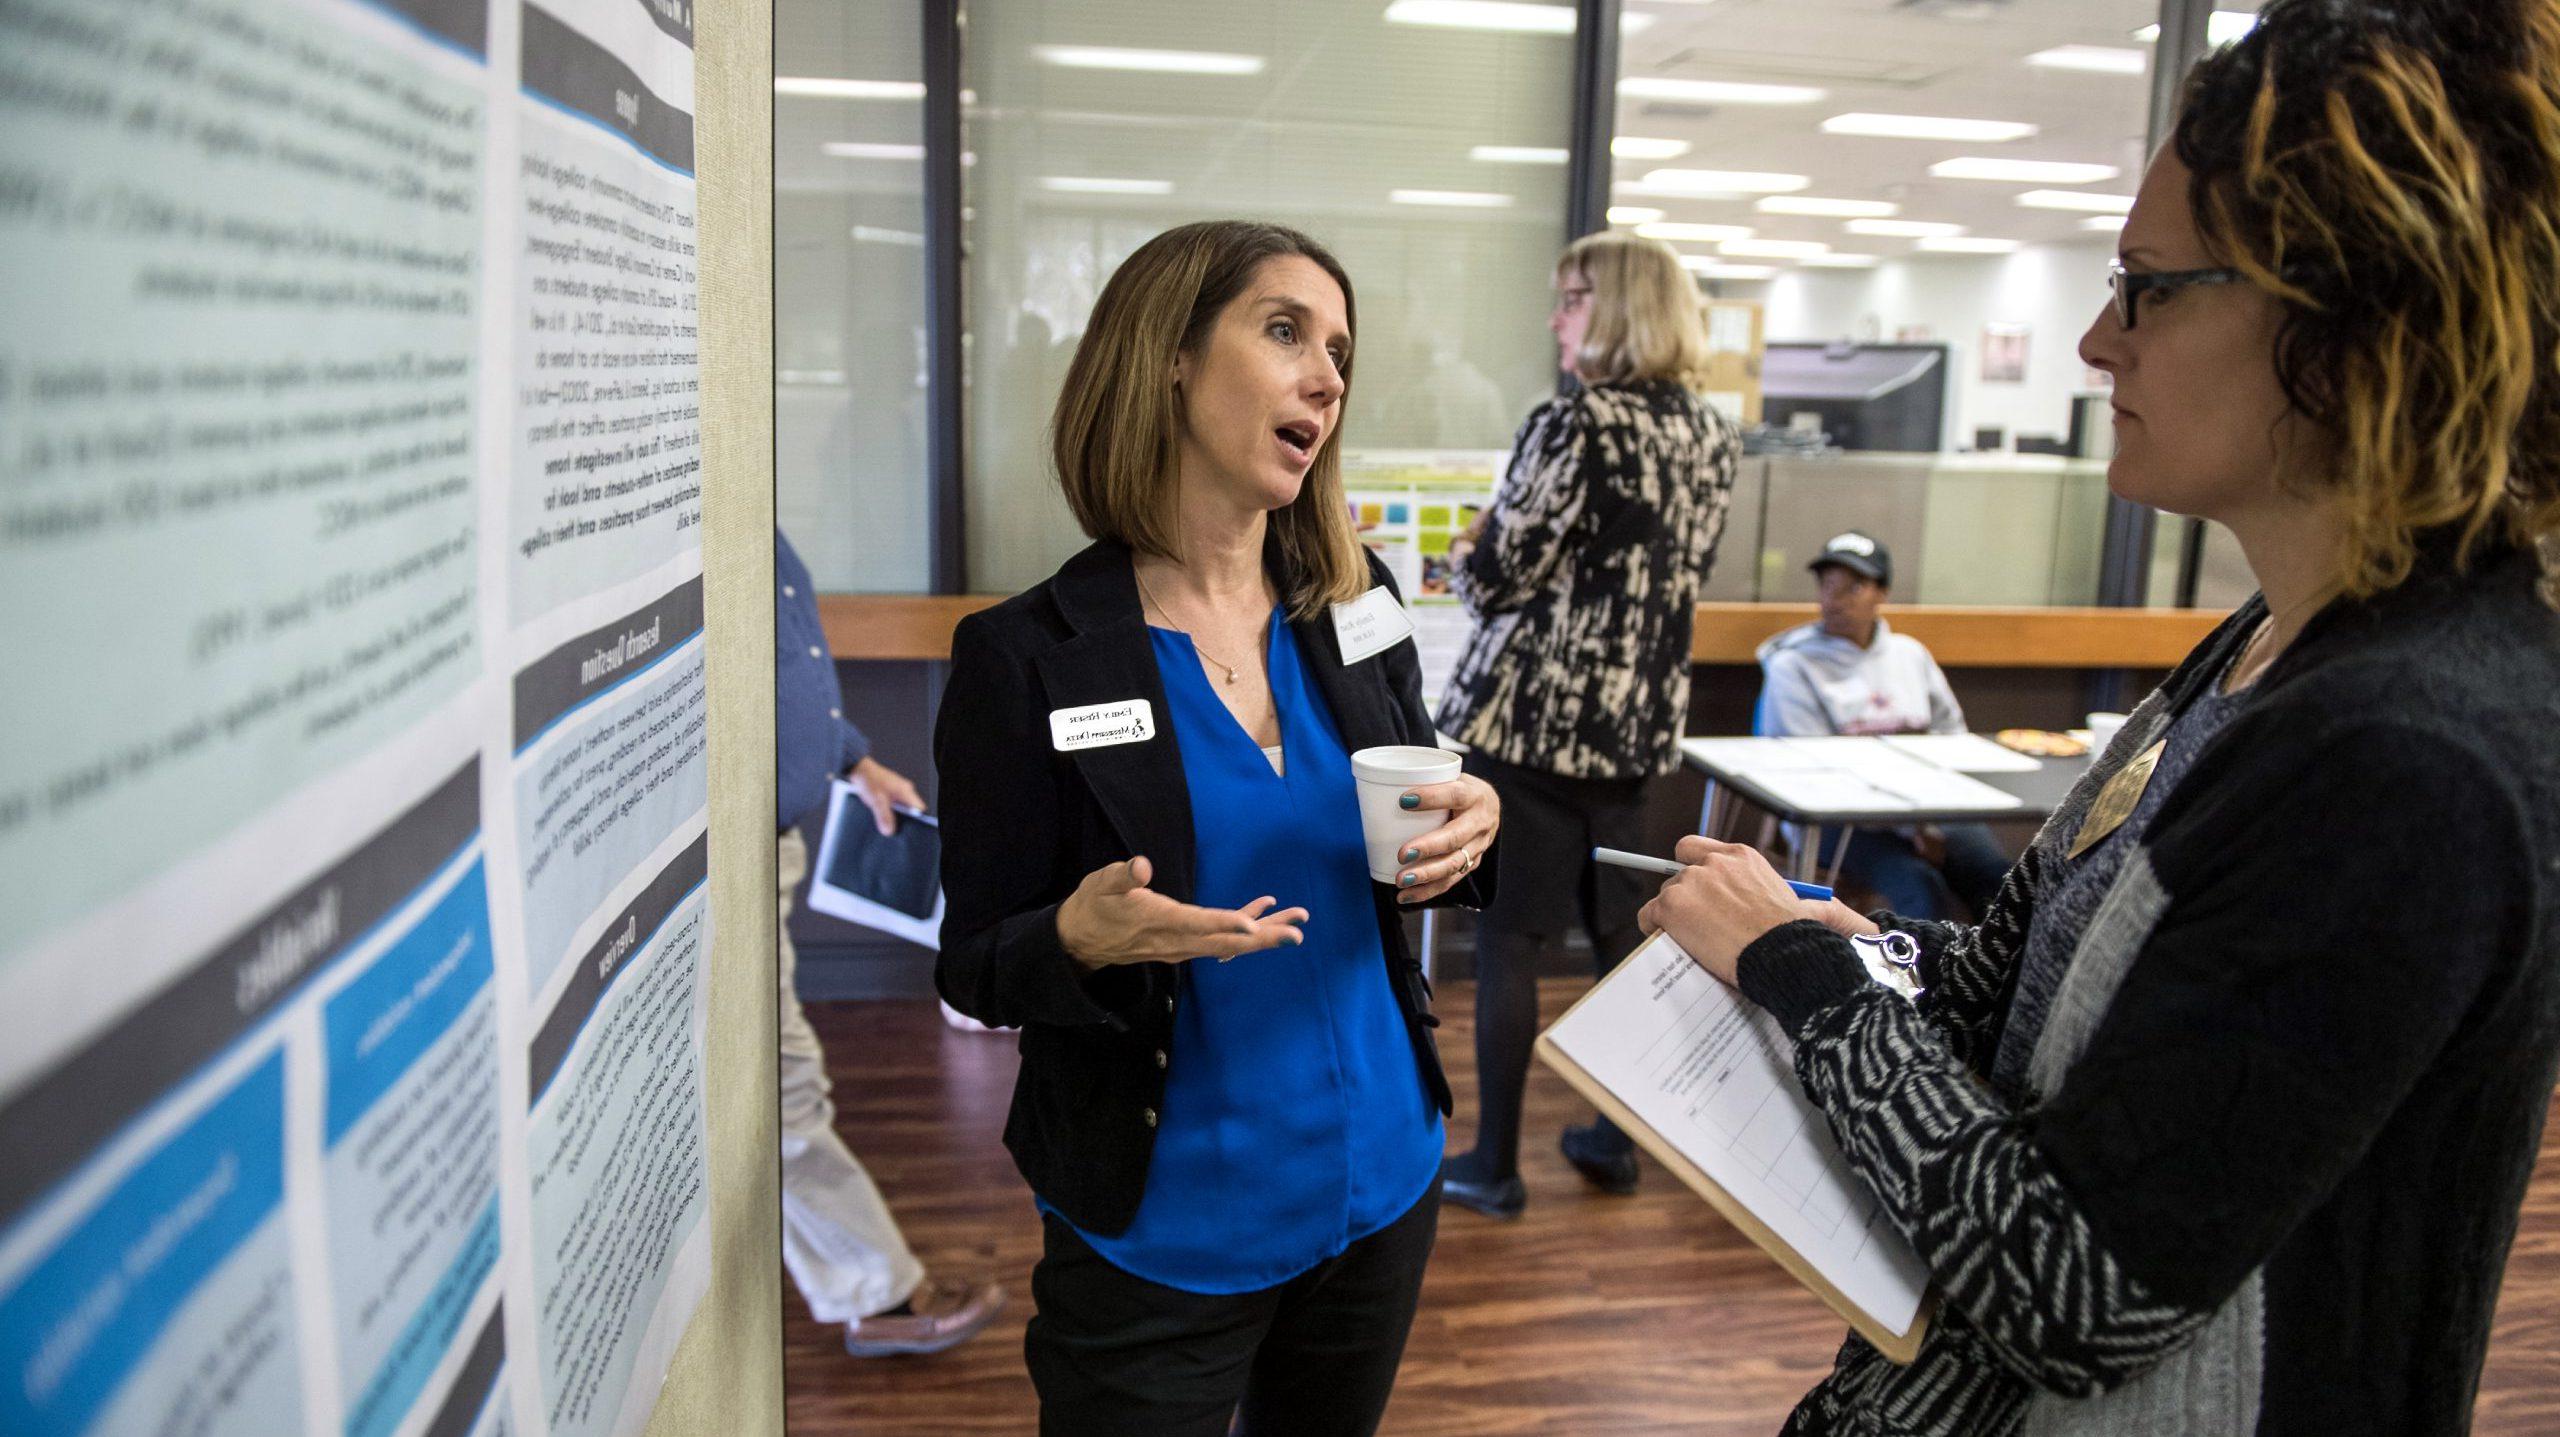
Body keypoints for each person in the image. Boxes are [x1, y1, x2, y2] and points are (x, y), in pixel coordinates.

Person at [1635, 2, 2560, 1432]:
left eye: (2145, 286)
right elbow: (2028, 1003)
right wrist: (1854, 949)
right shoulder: (2263, 644)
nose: (2094, 338)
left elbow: (2071, 1289)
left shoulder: (2409, 756)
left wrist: (1801, 986)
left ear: (2345, 312)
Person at [932, 220, 1501, 1437]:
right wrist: (1075, 939)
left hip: (1383, 1183)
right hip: (1161, 1228)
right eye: (1285, 330)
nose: (1327, 378)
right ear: (1170, 359)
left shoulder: (1357, 606)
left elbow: (1427, 832)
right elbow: (976, 964)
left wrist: (1475, 823)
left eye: (1340, 350)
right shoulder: (1025, 657)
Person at [1432, 230, 1741, 1215]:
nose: (1558, 318)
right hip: (1633, 727)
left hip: (1530, 724)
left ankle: (1492, 1165)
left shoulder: (1576, 423)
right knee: (1620, 937)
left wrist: (1472, 542)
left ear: (1614, 310)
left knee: (1510, 942)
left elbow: (1494, 579)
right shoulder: (1709, 431)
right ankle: (1614, 1137)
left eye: (1571, 297)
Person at [775, 527, 1006, 1356]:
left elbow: (786, 657)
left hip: (776, 835)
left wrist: (851, 759)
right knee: (781, 1086)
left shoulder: (754, 517)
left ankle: (864, 1283)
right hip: (717, 860)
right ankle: (876, 1291)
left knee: (777, 1082)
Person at [1754, 531, 2008, 920]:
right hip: (1838, 822)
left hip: (1928, 811)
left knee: (1999, 881)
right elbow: (1808, 775)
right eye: (1827, 585)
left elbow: (1951, 738)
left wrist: (1926, 822)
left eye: (1852, 587)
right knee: (1919, 888)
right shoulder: (1793, 666)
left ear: (1882, 593)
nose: (1834, 599)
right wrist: (1912, 830)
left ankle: (1994, 974)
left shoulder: (1910, 654)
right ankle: (1917, 980)